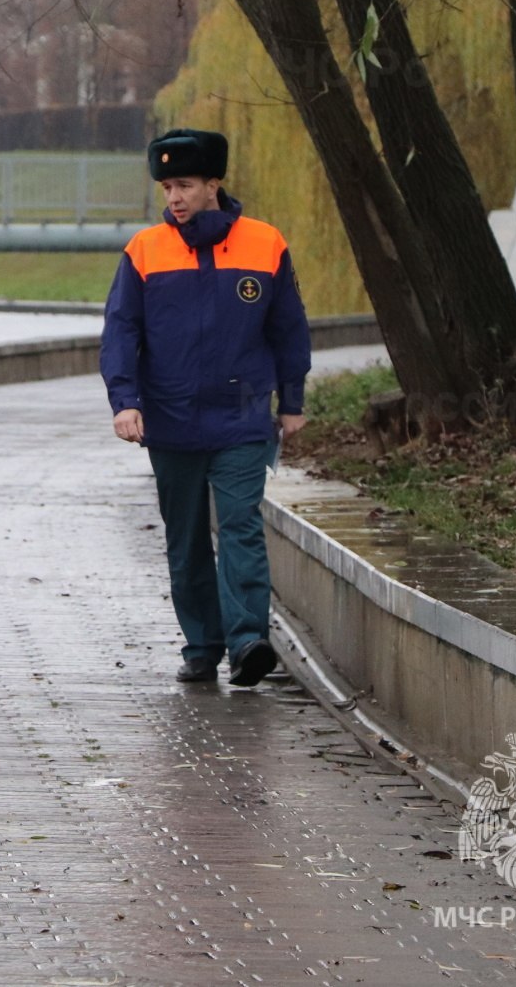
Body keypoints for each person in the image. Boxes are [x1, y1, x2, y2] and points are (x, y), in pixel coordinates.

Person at [100, 128, 311, 687]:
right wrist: (125, 402)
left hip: (241, 417)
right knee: (186, 536)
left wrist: (291, 401)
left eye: (185, 185)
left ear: (214, 184)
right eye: (167, 186)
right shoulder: (144, 250)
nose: (174, 197)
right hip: (170, 421)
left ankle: (247, 641)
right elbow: (121, 332)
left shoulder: (265, 243)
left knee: (240, 526)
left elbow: (289, 328)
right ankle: (202, 643)